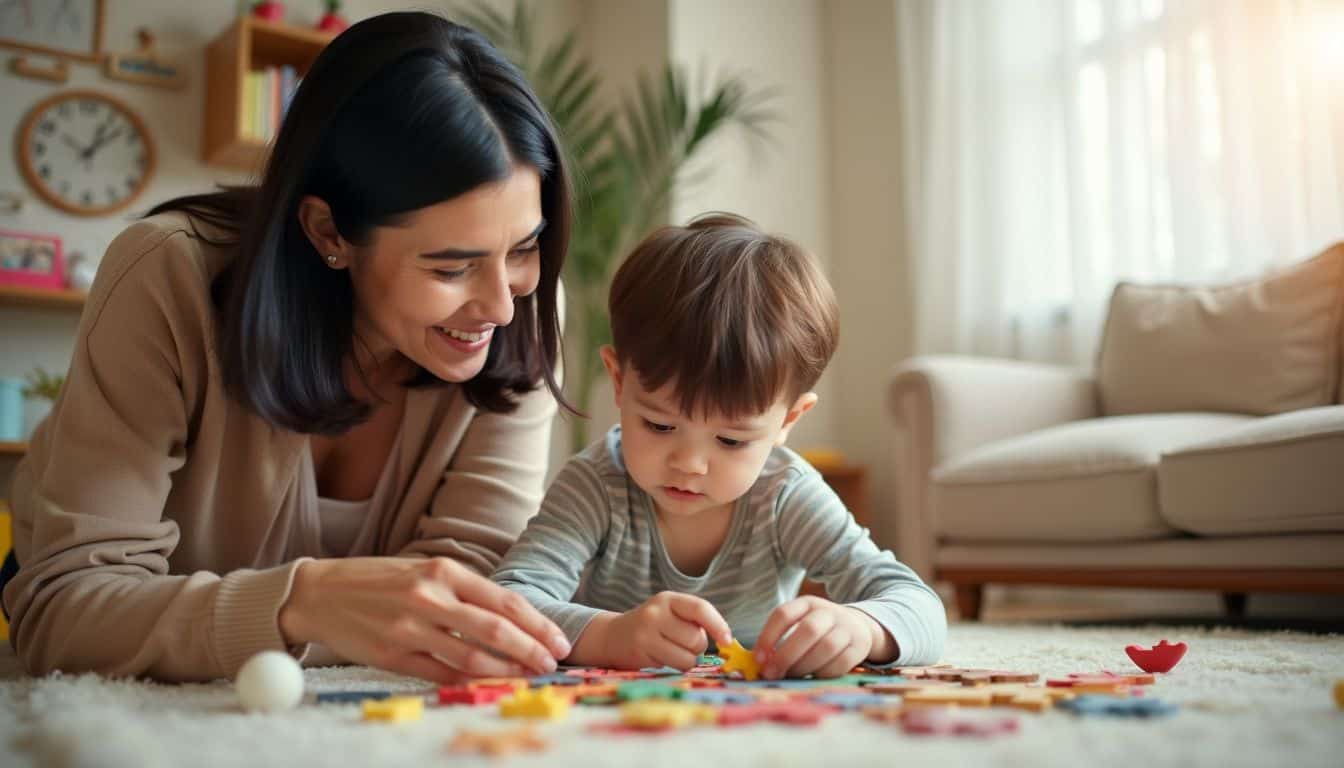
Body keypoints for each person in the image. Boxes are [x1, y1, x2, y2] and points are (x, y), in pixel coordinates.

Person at [0, 12, 576, 684]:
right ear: (328, 230)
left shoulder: (525, 313)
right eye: (451, 267)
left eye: (525, 247)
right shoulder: (167, 274)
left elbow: (460, 606)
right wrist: (302, 605)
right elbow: (65, 614)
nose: (502, 306)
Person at [492, 214, 947, 678]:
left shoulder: (784, 493)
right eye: (659, 425)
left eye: (731, 440)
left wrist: (861, 626)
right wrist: (612, 637)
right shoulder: (596, 486)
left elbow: (921, 608)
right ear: (618, 380)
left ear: (788, 420)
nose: (688, 464)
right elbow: (508, 602)